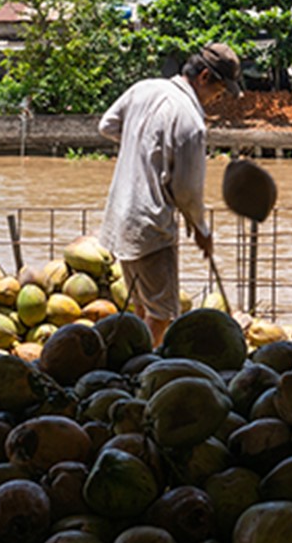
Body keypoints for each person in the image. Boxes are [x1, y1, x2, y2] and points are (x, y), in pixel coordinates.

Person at [97, 44, 243, 344]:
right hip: (150, 223)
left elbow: (107, 125)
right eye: (220, 90)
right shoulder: (190, 122)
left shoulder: (144, 89)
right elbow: (187, 191)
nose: (219, 99)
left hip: (120, 213)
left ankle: (127, 362)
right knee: (162, 312)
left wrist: (141, 146)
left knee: (139, 303)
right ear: (204, 76)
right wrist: (201, 228)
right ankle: (142, 372)